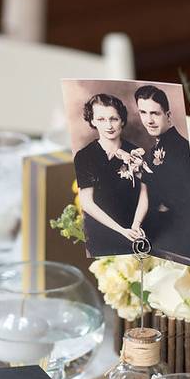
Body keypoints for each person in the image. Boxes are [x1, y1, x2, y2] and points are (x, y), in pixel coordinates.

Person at [73, 93, 149, 257]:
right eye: (101, 119)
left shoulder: (135, 153)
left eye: (113, 119)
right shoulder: (84, 156)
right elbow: (87, 203)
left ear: (122, 120)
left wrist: (135, 225)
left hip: (135, 230)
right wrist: (121, 231)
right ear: (92, 121)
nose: (109, 125)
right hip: (100, 234)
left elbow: (145, 193)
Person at [133, 85, 190, 265]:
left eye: (155, 113)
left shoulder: (184, 149)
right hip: (158, 230)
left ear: (167, 115)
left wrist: (146, 171)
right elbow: (145, 193)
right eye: (143, 113)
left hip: (181, 235)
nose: (149, 120)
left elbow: (180, 199)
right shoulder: (151, 152)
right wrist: (135, 226)